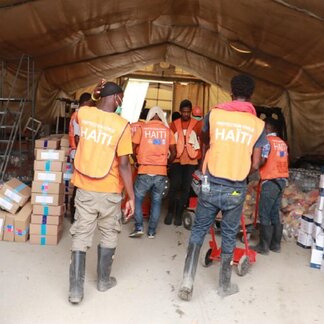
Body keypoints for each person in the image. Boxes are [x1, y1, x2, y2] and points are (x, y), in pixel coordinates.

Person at [178, 74, 268, 301]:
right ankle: (225, 285)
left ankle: (187, 281)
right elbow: (256, 163)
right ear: (251, 96)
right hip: (235, 189)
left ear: (230, 92)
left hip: (210, 184)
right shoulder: (258, 125)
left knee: (198, 230)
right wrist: (241, 173)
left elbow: (206, 137)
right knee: (229, 234)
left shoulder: (215, 114)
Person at [68, 82, 135, 305]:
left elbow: (85, 107)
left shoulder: (84, 114)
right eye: (121, 98)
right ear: (116, 98)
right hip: (109, 191)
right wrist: (131, 197)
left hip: (85, 189)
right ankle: (103, 281)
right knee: (109, 232)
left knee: (81, 235)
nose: (122, 102)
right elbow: (124, 165)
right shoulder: (123, 125)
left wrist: (96, 94)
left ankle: (76, 291)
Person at [129, 106, 176, 238]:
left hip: (144, 170)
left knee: (138, 200)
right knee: (156, 202)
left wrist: (136, 160)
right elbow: (174, 153)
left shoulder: (142, 129)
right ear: (162, 116)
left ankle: (138, 227)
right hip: (160, 171)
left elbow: (132, 148)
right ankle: (151, 231)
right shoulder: (168, 131)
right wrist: (166, 165)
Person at [251, 118, 288, 254]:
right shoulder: (282, 143)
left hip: (271, 182)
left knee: (264, 213)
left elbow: (263, 160)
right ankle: (275, 245)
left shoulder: (267, 142)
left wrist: (253, 167)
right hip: (282, 181)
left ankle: (263, 246)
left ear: (268, 128)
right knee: (274, 213)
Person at [165, 100, 202, 226]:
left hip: (191, 160)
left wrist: (200, 157)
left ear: (191, 112)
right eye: (184, 112)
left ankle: (179, 214)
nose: (186, 114)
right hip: (176, 159)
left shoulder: (197, 124)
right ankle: (170, 212)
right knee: (174, 186)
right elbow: (168, 142)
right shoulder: (173, 125)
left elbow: (202, 141)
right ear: (180, 111)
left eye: (188, 112)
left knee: (186, 188)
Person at [68, 92, 94, 224]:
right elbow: (77, 137)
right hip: (79, 154)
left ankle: (77, 214)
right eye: (91, 103)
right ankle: (74, 215)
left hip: (78, 153)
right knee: (79, 186)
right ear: (87, 102)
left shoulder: (79, 114)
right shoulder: (80, 115)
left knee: (81, 185)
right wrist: (85, 154)